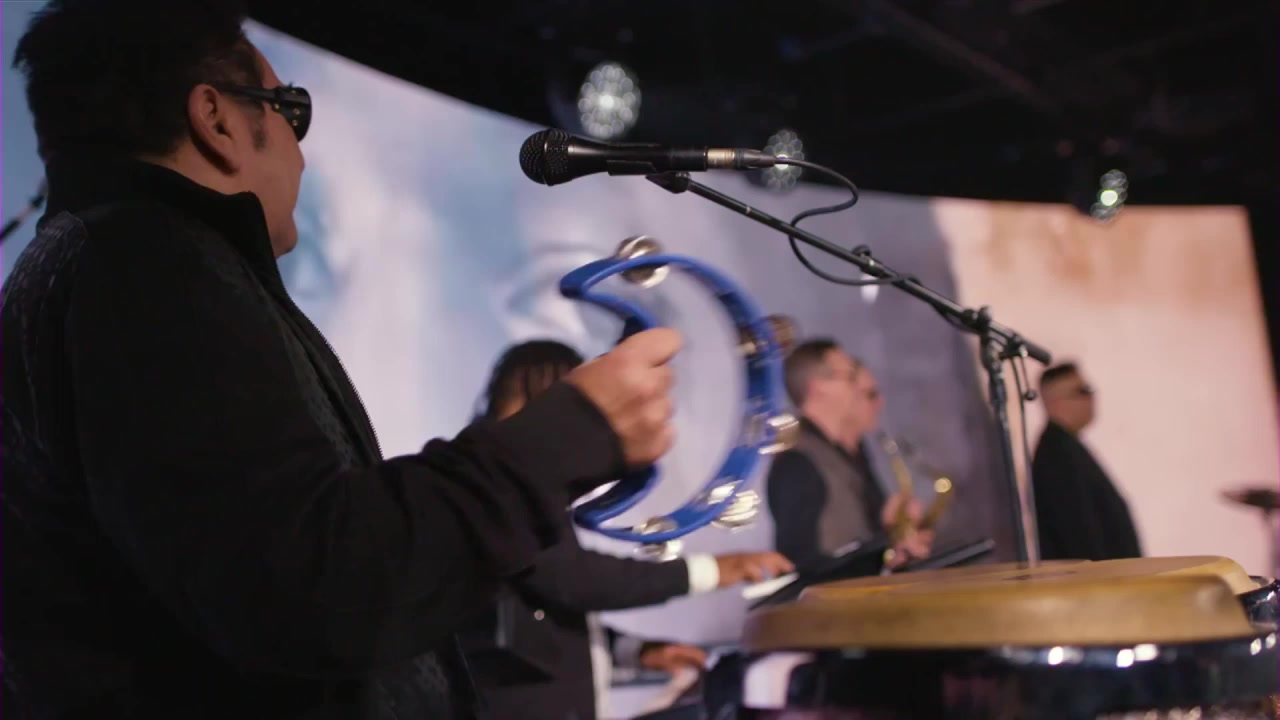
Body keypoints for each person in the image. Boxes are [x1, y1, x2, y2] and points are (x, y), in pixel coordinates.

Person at [0, 2, 682, 718]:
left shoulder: (93, 267)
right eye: (291, 110)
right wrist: (568, 436)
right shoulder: (145, 267)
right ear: (217, 120)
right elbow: (311, 587)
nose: (300, 152)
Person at [467, 340, 793, 720]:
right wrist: (715, 570)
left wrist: (635, 651)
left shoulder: (509, 487)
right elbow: (575, 580)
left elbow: (544, 617)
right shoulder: (497, 491)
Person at [766, 339, 935, 572]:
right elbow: (799, 565)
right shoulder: (796, 462)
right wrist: (884, 546)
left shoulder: (846, 451)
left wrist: (891, 533)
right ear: (819, 387)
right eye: (849, 376)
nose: (856, 386)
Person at [1032, 363, 1142, 561]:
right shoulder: (1058, 456)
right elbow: (1079, 535)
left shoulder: (1065, 448)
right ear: (1057, 402)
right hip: (1098, 578)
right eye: (1083, 391)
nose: (1092, 397)